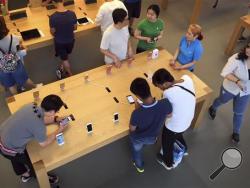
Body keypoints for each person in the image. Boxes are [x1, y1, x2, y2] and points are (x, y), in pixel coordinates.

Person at [0, 95, 68, 184]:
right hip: (9, 148)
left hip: (3, 136)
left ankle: (24, 174)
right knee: (33, 164)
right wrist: (60, 129)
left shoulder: (31, 105)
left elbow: (38, 118)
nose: (56, 113)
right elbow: (44, 143)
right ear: (52, 111)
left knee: (15, 159)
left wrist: (56, 119)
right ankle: (38, 176)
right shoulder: (39, 127)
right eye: (56, 111)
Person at [152, 68, 196, 170]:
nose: (161, 89)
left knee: (167, 143)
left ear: (166, 83)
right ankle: (184, 150)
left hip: (174, 126)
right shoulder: (187, 79)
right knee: (178, 134)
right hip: (188, 120)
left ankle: (168, 163)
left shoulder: (168, 93)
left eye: (160, 86)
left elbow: (166, 112)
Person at [208, 44, 250, 143]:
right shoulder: (236, 58)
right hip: (230, 88)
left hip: (245, 92)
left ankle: (236, 132)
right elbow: (225, 72)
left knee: (239, 113)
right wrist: (237, 81)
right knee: (222, 100)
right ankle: (213, 108)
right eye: (248, 46)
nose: (248, 50)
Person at [129, 78, 172, 173]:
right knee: (146, 142)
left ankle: (139, 166)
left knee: (137, 151)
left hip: (139, 138)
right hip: (153, 137)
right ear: (149, 88)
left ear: (138, 97)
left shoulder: (136, 114)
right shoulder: (165, 103)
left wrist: (137, 109)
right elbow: (169, 115)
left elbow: (132, 130)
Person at [0, 16, 36, 95]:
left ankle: (17, 97)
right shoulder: (14, 38)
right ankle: (36, 88)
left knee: (11, 85)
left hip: (2, 67)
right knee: (25, 80)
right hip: (16, 64)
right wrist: (25, 48)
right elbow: (21, 47)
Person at [49, 0, 77, 79]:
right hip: (71, 40)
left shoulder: (53, 17)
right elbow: (75, 27)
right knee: (65, 55)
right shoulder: (72, 14)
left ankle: (70, 75)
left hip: (60, 42)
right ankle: (62, 67)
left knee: (64, 59)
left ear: (54, 3)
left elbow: (52, 32)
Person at [100, 8, 133, 74]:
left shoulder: (125, 26)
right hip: (112, 62)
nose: (128, 20)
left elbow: (127, 37)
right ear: (119, 22)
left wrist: (130, 48)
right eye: (126, 19)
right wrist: (115, 58)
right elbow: (103, 49)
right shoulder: (108, 33)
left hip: (123, 58)